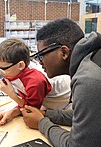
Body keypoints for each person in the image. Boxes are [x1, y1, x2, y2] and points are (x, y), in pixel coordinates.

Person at [20, 18, 101, 146]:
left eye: (41, 55)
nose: (40, 62)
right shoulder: (92, 60)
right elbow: (84, 115)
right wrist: (47, 114)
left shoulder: (88, 79)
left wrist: (41, 123)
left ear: (63, 52)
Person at [0, 38, 51, 125]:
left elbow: (32, 111)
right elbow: (26, 102)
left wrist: (12, 94)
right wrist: (12, 112)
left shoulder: (34, 82)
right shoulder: (17, 73)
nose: (0, 72)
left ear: (20, 65)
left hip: (56, 109)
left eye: (4, 69)